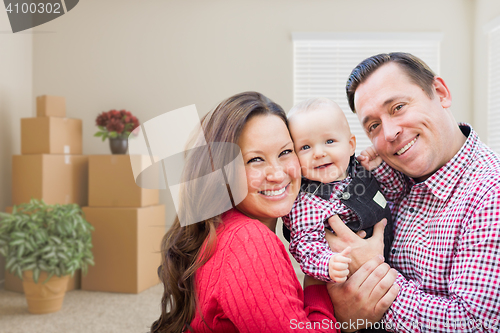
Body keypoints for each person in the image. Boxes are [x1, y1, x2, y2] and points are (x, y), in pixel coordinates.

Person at [149, 91, 400, 333]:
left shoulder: (222, 226)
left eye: (285, 152)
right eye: (255, 160)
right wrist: (334, 308)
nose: (278, 174)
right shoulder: (248, 242)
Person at [326, 52, 500, 332]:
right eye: (374, 125)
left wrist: (372, 279)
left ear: (441, 93)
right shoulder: (385, 181)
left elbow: (478, 325)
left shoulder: (491, 193)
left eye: (398, 107)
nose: (390, 132)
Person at [281, 98, 396, 283]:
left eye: (329, 141)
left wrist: (379, 167)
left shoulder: (359, 169)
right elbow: (305, 245)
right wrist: (328, 264)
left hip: (395, 262)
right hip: (351, 279)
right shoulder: (307, 201)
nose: (318, 153)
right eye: (305, 147)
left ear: (350, 145)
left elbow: (394, 195)